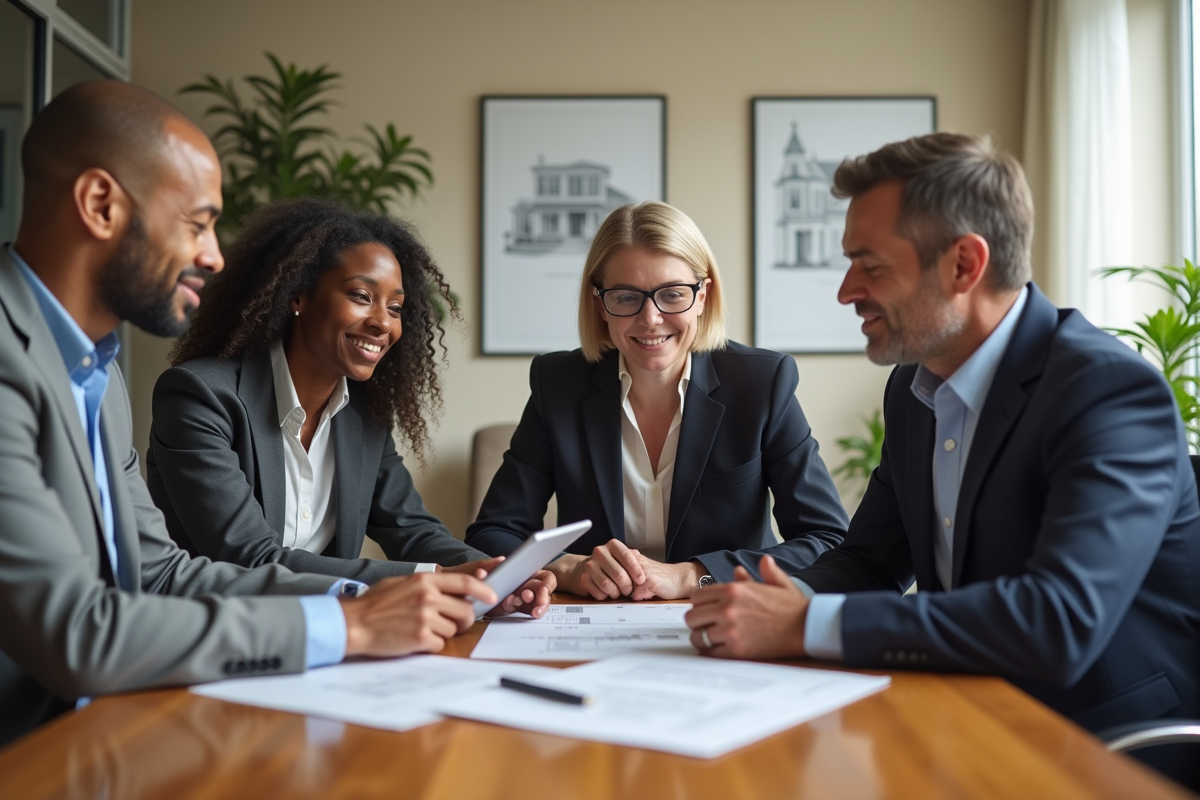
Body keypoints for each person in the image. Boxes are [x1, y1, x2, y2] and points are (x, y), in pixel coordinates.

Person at [684, 133, 1200, 784]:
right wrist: (772, 600)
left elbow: (1059, 621)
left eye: (870, 266)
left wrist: (806, 623)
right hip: (960, 712)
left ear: (963, 265)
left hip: (1105, 748)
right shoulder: (914, 388)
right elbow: (871, 560)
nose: (846, 291)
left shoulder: (1106, 391)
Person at [0, 80, 498, 745]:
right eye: (197, 223)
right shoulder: (21, 363)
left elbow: (162, 573)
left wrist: (380, 600)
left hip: (113, 724)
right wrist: (348, 625)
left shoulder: (99, 374)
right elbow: (77, 631)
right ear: (100, 204)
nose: (214, 256)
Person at [145, 198, 551, 614]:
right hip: (216, 629)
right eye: (361, 295)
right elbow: (249, 557)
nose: (383, 322)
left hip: (331, 630)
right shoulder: (200, 397)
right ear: (298, 295)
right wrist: (435, 578)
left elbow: (412, 529)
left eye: (395, 308)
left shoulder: (363, 416)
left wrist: (495, 576)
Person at [466, 201, 848, 601]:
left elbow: (828, 539)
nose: (650, 318)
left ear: (702, 297)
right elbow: (492, 532)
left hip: (725, 615)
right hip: (595, 619)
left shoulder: (762, 384)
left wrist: (692, 575)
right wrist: (568, 568)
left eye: (673, 294)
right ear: (600, 305)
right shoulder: (558, 383)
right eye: (626, 297)